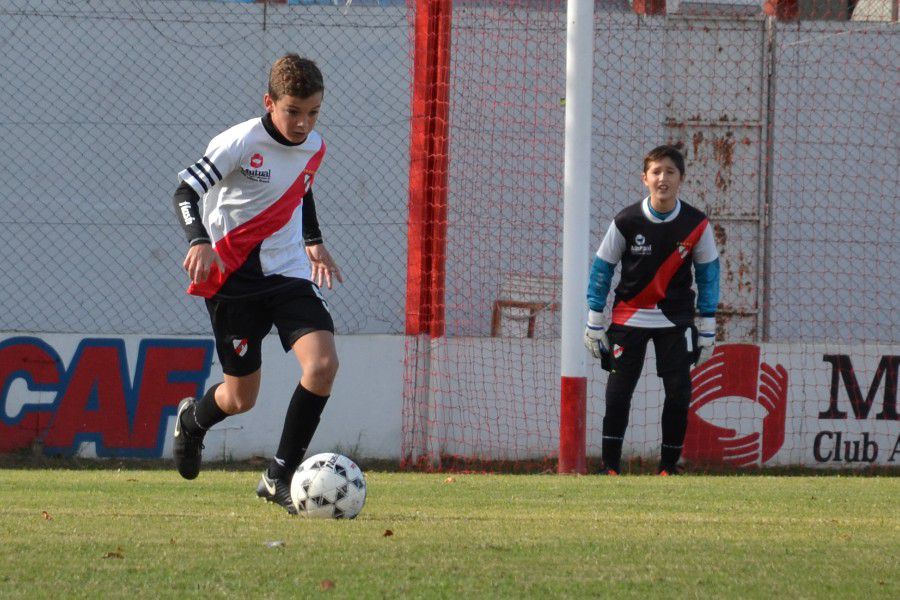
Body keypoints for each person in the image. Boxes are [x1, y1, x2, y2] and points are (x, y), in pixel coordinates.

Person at [170, 54, 342, 514]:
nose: (303, 123)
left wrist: (313, 241)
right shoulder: (240, 141)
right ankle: (192, 420)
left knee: (322, 365)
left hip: (287, 274)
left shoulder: (315, 147)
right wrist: (199, 240)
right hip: (233, 282)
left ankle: (279, 475)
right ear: (270, 103)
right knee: (240, 398)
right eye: (293, 111)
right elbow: (185, 189)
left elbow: (301, 190)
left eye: (313, 113)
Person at [583, 145, 720, 476]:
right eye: (656, 172)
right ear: (645, 179)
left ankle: (668, 469)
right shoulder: (626, 221)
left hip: (676, 320)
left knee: (678, 392)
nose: (663, 178)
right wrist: (594, 320)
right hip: (629, 316)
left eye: (670, 172)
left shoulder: (697, 224)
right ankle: (610, 467)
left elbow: (708, 275)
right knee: (618, 393)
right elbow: (602, 269)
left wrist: (707, 326)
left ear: (681, 179)